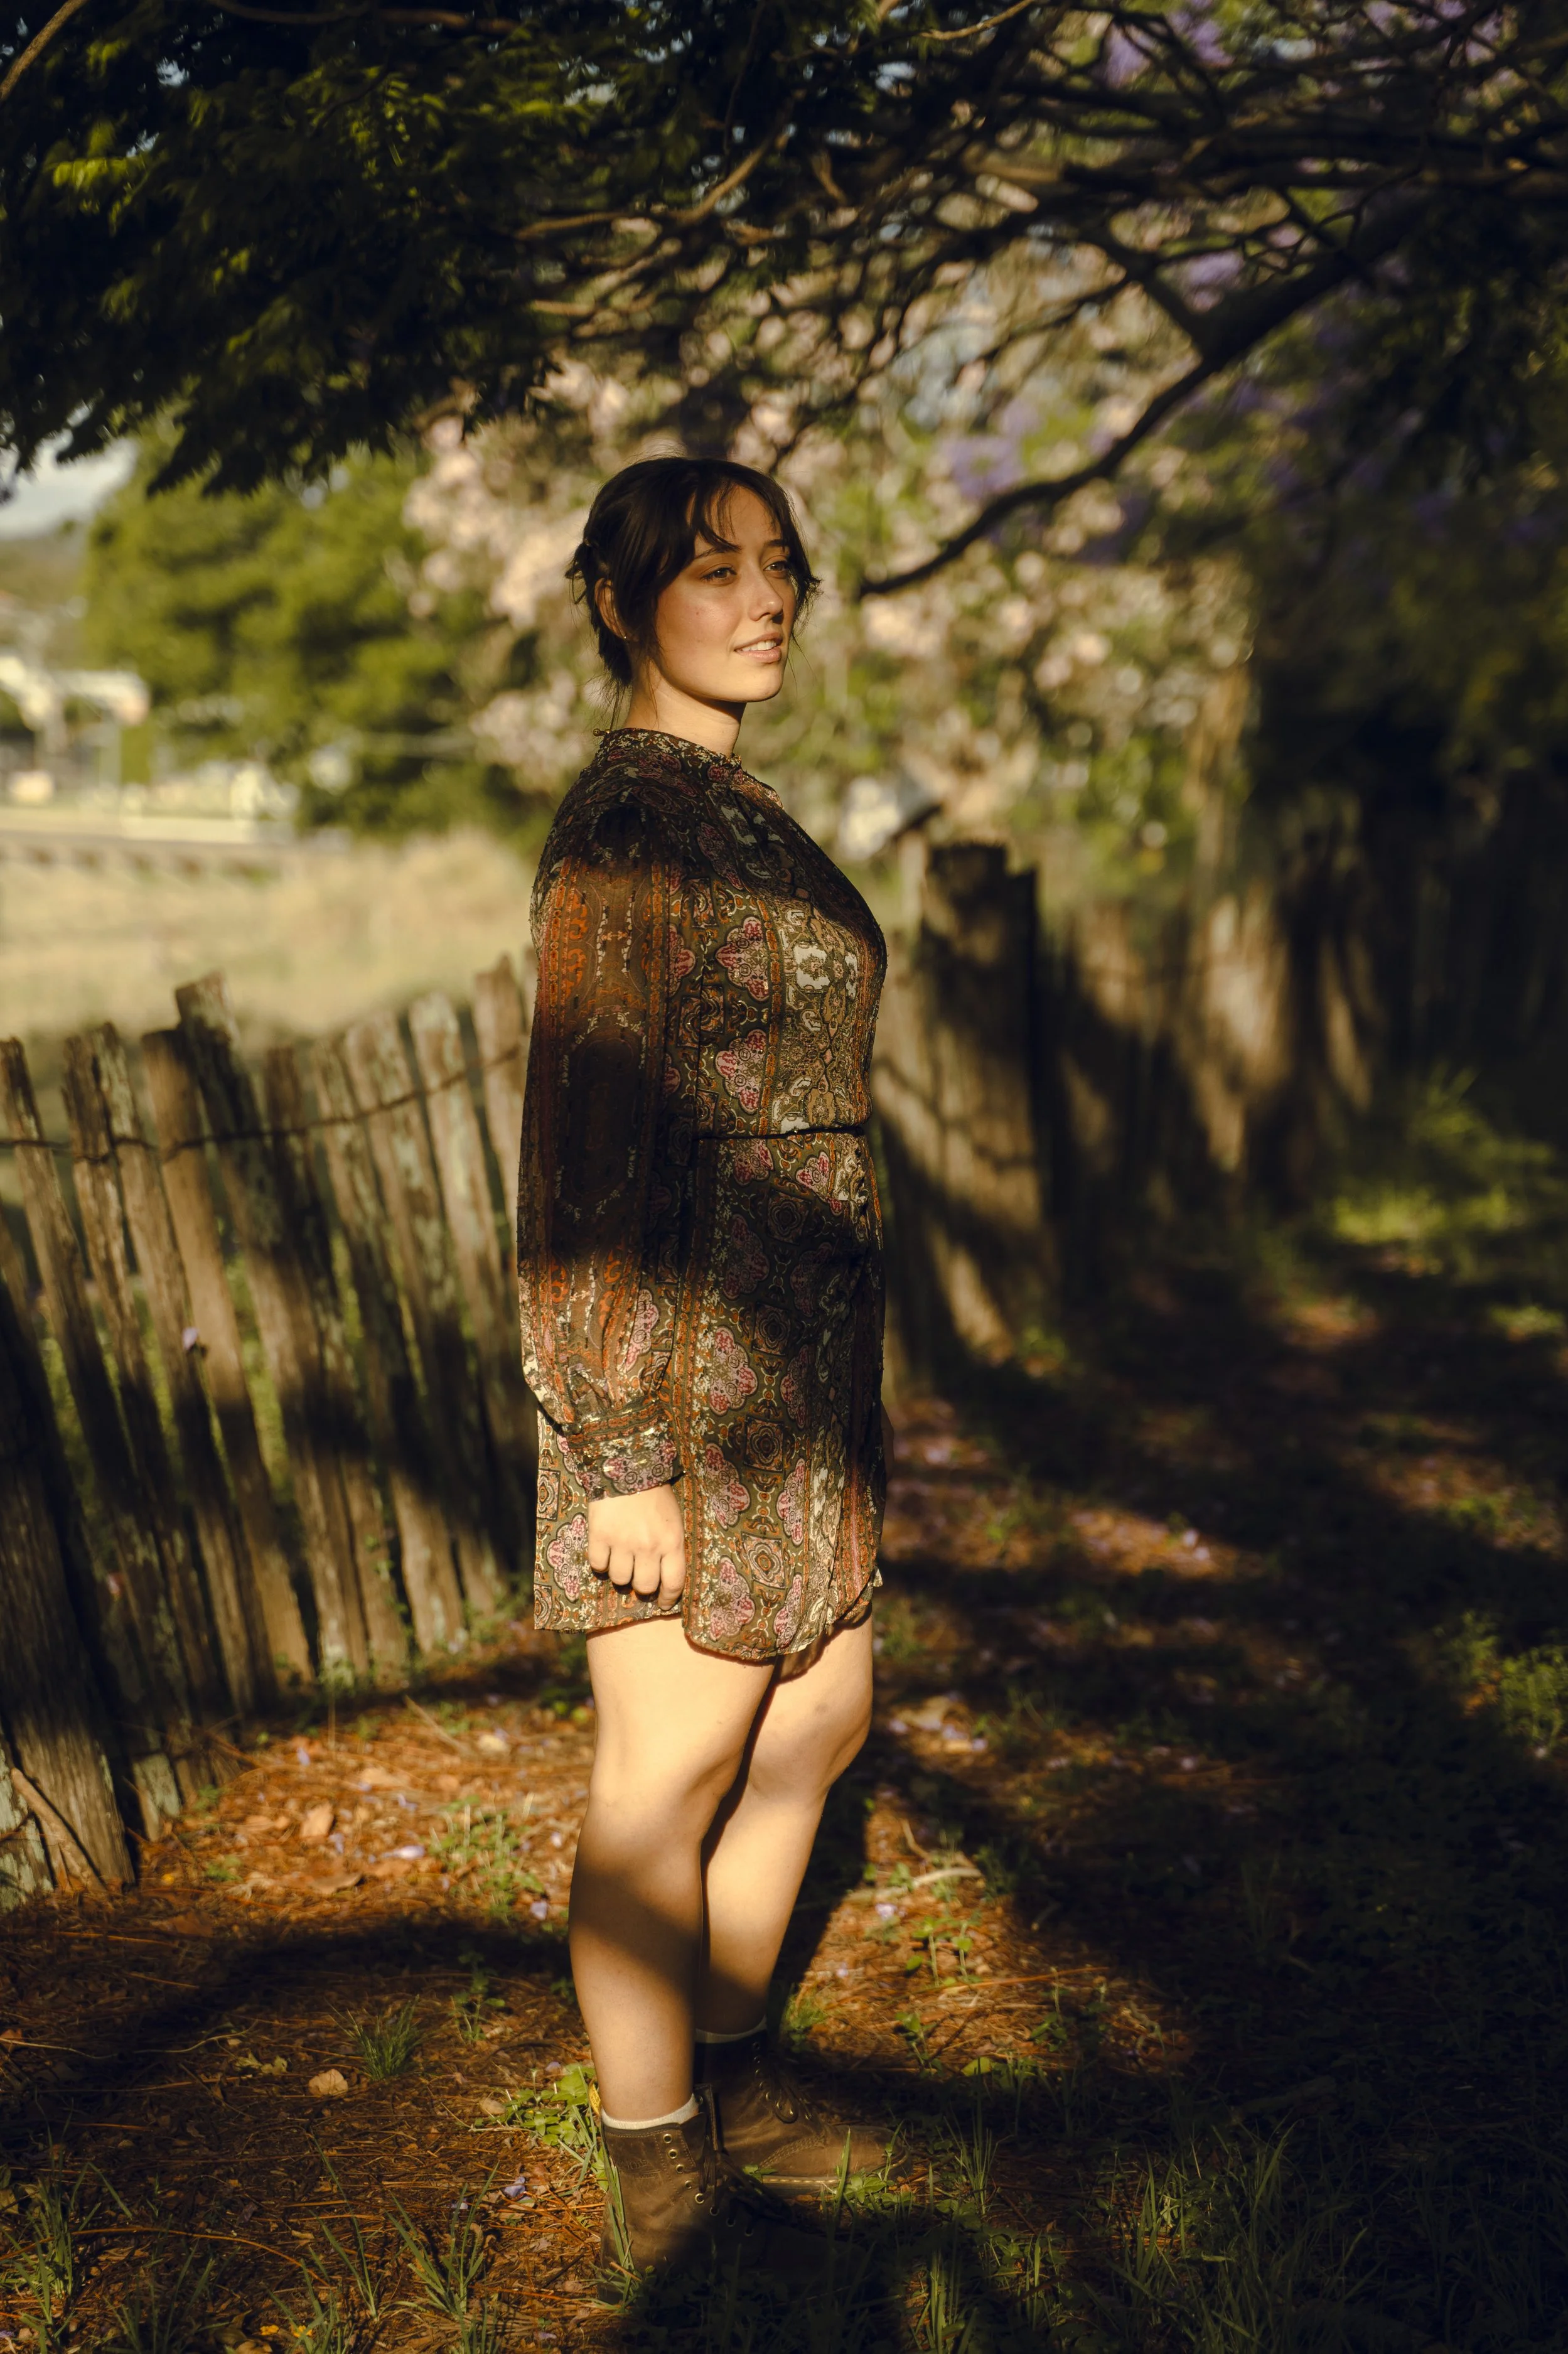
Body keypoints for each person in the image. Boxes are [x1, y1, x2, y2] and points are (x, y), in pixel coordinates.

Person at [515, 455, 891, 2290]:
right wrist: (613, 1448)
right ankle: (655, 2146)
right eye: (709, 570)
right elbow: (586, 1142)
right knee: (669, 1770)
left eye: (778, 567)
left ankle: (729, 2069)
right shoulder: (628, 827)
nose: (763, 600)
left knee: (816, 1720)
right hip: (674, 1372)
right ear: (618, 601)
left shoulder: (732, 807)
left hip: (802, 1358)